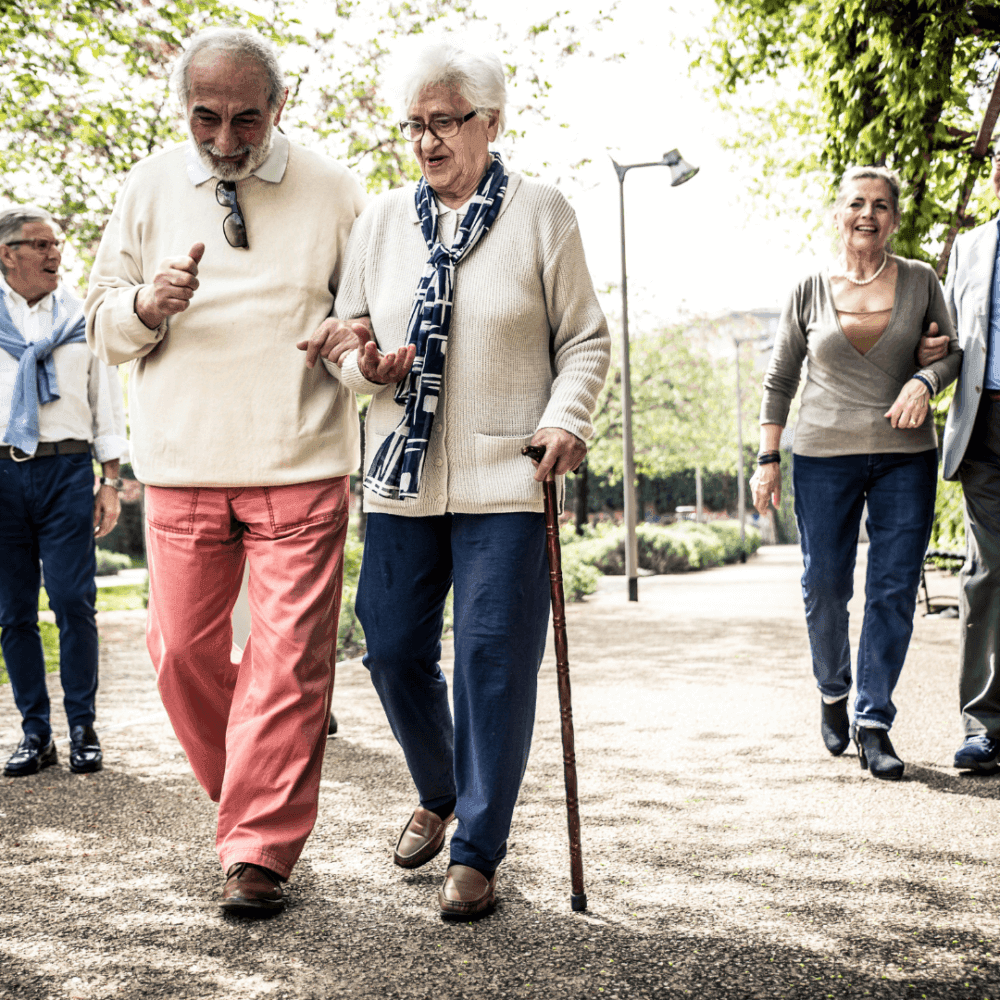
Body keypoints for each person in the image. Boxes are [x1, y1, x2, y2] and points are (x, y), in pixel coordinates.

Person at [319, 39, 609, 919]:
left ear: (491, 122)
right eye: (415, 124)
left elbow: (585, 340)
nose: (428, 140)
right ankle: (441, 788)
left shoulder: (541, 216)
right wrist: (367, 365)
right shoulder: (379, 224)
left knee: (491, 659)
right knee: (394, 643)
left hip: (504, 474)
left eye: (445, 122)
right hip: (402, 474)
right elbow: (346, 339)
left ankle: (478, 847)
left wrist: (566, 417)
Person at [85, 27, 367, 914]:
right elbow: (100, 324)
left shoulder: (335, 192)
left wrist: (353, 346)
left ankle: (258, 850)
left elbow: (364, 325)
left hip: (300, 457)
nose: (225, 139)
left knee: (288, 664)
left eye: (248, 119)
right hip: (180, 461)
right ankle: (251, 798)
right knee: (178, 657)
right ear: (185, 111)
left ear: (279, 108)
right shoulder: (148, 186)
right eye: (207, 118)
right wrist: (144, 304)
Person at [750, 165, 961, 780]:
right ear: (838, 214)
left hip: (905, 455)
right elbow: (780, 376)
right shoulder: (809, 289)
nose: (867, 214)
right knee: (824, 586)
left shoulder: (921, 281)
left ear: (895, 218)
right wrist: (768, 459)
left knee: (893, 589)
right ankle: (834, 690)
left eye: (880, 205)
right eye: (856, 204)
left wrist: (925, 379)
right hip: (821, 453)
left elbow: (950, 352)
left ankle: (874, 723)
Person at [0, 205, 127, 778]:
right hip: (2, 476)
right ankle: (35, 732)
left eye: (57, 243)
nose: (55, 254)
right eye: (41, 244)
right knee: (13, 611)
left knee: (75, 601)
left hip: (67, 470)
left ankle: (82, 727)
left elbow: (107, 402)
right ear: (8, 253)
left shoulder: (82, 315)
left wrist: (110, 480)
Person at [938, 139, 1000, 773]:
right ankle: (984, 724)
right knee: (987, 574)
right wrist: (929, 364)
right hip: (985, 425)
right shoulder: (972, 246)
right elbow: (955, 341)